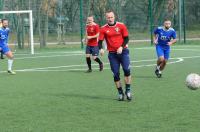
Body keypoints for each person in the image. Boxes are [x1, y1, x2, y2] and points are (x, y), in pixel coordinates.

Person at [98, 11, 132, 101]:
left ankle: (128, 91)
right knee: (116, 74)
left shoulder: (121, 25)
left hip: (123, 52)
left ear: (114, 17)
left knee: (127, 70)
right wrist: (100, 48)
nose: (110, 19)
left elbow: (126, 38)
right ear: (106, 18)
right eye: (108, 17)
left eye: (111, 17)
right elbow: (100, 41)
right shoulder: (103, 28)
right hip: (112, 54)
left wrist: (121, 47)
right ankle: (120, 93)